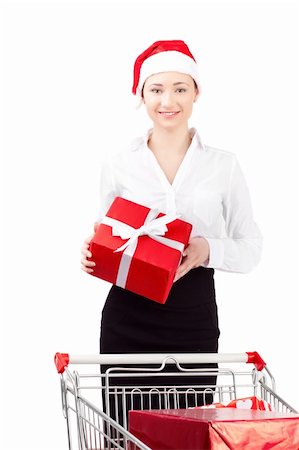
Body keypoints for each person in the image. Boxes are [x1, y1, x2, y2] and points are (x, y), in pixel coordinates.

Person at [80, 40, 263, 421]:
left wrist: (205, 249)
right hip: (127, 317)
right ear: (141, 95)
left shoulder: (223, 166)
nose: (168, 101)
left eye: (180, 88)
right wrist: (92, 253)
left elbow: (251, 247)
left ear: (196, 92)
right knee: (126, 433)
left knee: (189, 431)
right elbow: (110, 235)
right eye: (156, 89)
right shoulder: (118, 164)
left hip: (192, 317)